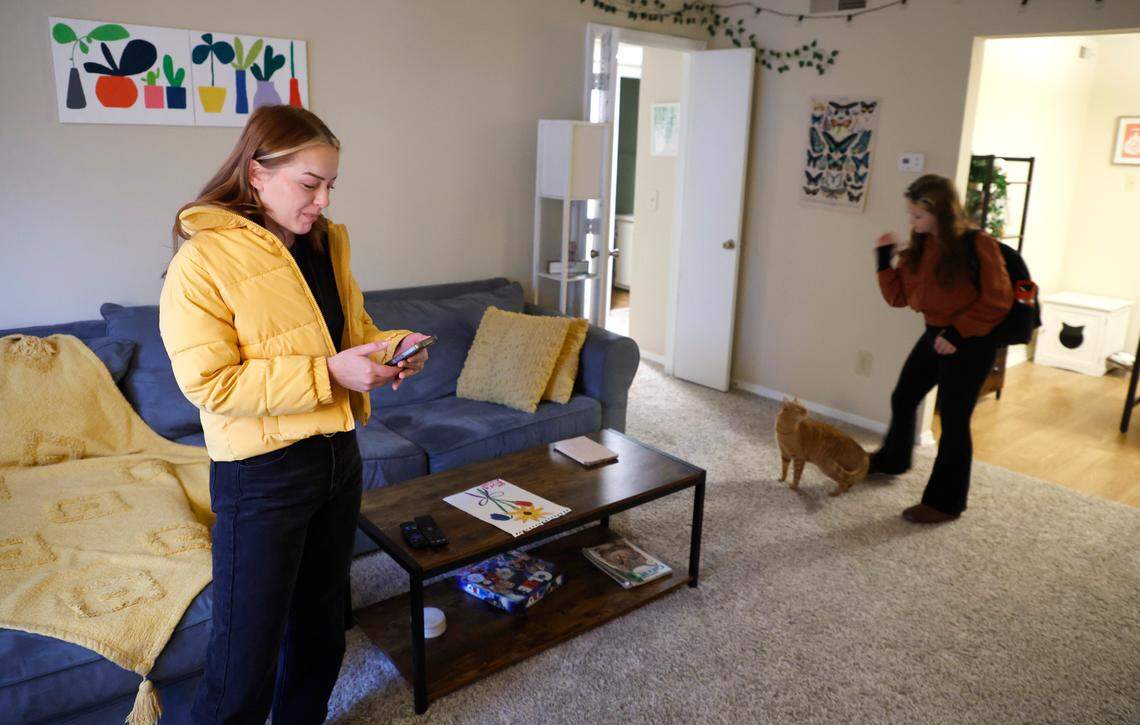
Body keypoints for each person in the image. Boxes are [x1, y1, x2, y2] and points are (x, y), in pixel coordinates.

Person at [159, 104, 431, 723]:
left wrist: (391, 349)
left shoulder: (326, 243)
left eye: (331, 184)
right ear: (257, 172)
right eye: (310, 184)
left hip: (338, 458)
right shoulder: (200, 263)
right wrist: (330, 374)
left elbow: (351, 332)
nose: (322, 199)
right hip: (261, 476)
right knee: (243, 659)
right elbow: (211, 384)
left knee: (320, 631)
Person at [870, 174, 1012, 524]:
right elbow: (899, 298)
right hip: (936, 333)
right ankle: (893, 459)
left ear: (942, 213)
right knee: (904, 396)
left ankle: (945, 503)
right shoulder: (920, 247)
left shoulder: (977, 245)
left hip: (972, 341)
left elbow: (999, 300)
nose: (911, 222)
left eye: (918, 216)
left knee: (953, 419)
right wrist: (883, 261)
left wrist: (959, 335)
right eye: (910, 215)